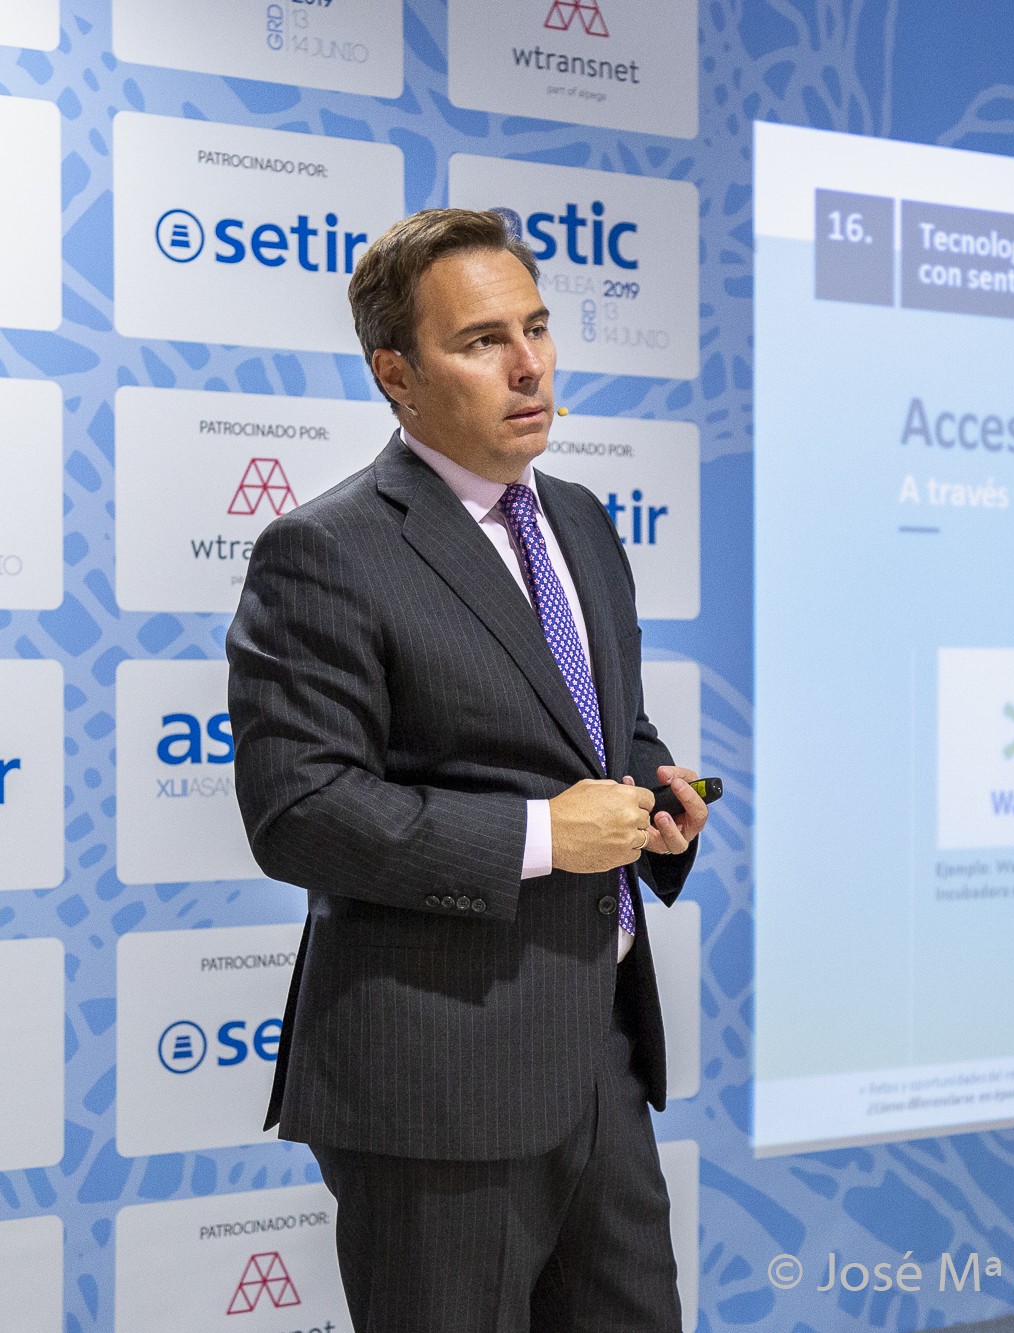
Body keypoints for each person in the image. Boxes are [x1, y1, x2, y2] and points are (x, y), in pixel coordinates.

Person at [226, 208, 704, 1331]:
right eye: (483, 340)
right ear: (396, 373)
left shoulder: (580, 520)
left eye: (536, 328)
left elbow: (597, 734)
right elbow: (301, 811)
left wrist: (651, 789)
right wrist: (547, 836)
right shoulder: (327, 549)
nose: (530, 364)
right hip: (437, 1084)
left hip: (602, 1055)